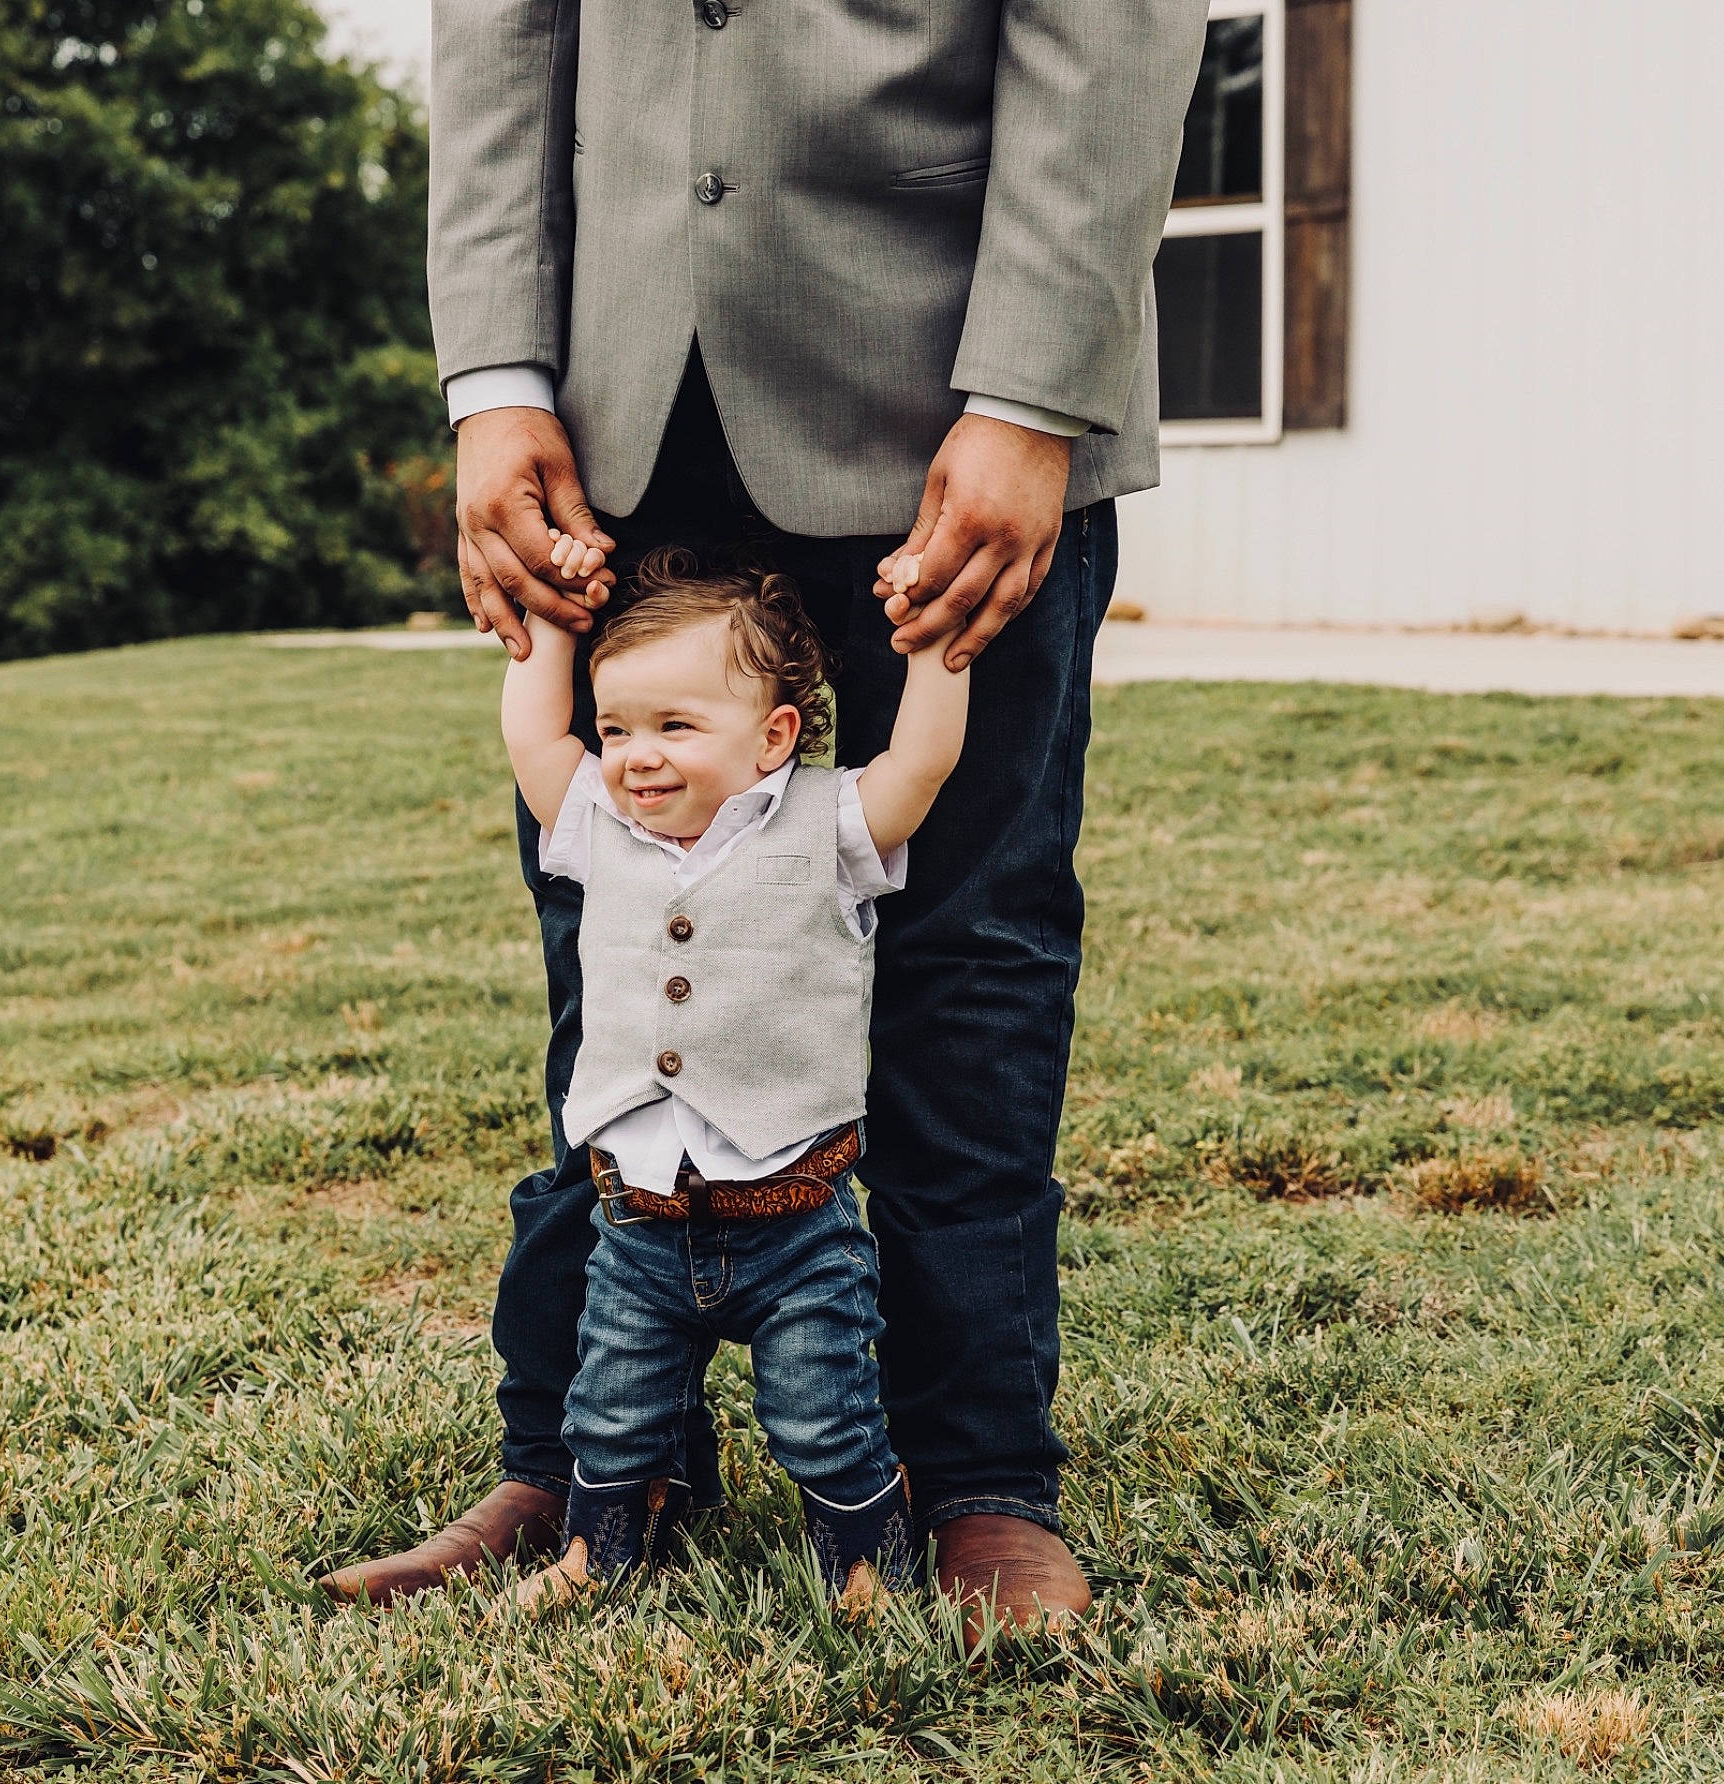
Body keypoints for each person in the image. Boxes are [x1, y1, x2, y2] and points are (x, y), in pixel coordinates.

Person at [321, 0, 1206, 1633]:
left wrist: (1031, 391)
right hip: (620, 395)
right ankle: (599, 1451)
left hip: (950, 383)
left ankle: (976, 1477)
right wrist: (497, 379)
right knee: (620, 947)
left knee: (968, 947)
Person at [492, 543, 965, 1613]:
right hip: (640, 1222)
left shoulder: (828, 823)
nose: (634, 756)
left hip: (795, 1222)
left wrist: (936, 649)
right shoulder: (596, 826)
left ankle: (865, 1562)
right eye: (616, 728)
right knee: (611, 1403)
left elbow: (923, 765)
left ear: (775, 735)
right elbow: (532, 731)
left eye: (673, 726)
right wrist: (550, 622)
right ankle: (594, 1551)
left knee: (822, 1407)